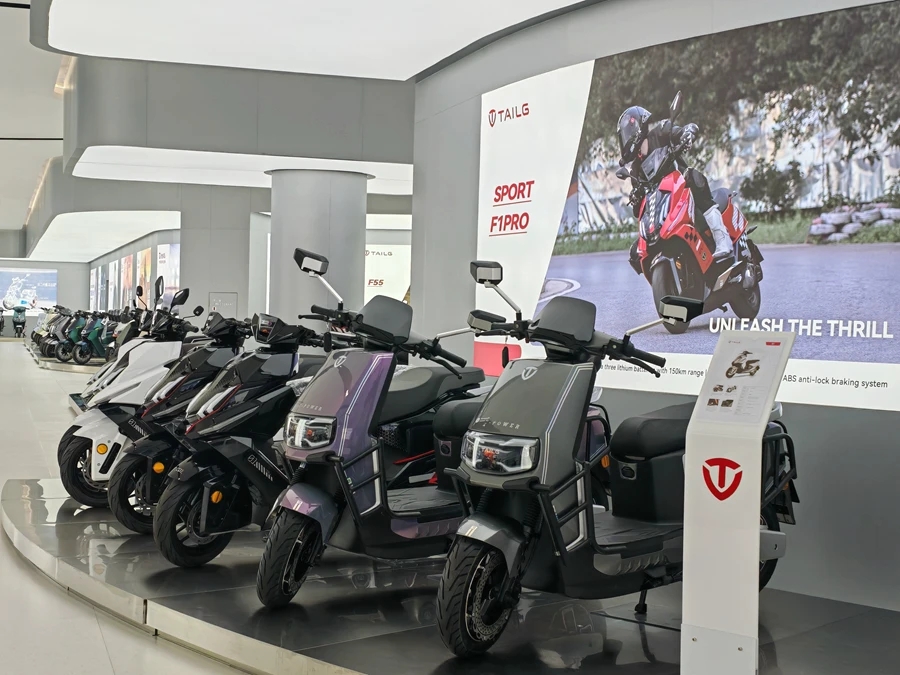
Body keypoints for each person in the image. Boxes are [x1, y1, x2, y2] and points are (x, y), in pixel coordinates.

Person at [617, 105, 732, 261]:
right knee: (635, 254)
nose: (627, 138)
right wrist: (636, 198)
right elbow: (640, 211)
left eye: (629, 131)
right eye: (624, 135)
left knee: (693, 177)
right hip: (662, 211)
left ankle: (722, 238)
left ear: (638, 126)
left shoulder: (661, 132)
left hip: (683, 193)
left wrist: (687, 133)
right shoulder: (636, 170)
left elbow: (681, 131)